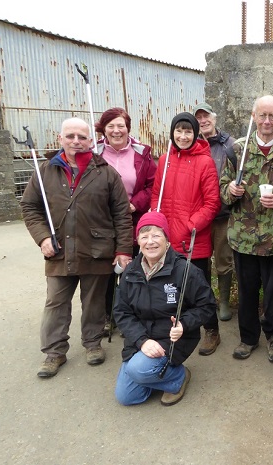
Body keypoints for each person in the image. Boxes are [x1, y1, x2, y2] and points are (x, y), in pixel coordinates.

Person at [21, 117, 133, 378]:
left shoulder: (105, 172)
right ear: (60, 138)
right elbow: (29, 207)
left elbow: (121, 215)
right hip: (58, 249)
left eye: (82, 137)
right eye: (70, 136)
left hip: (97, 248)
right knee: (56, 302)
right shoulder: (45, 170)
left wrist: (123, 250)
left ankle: (92, 344)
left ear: (91, 141)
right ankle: (54, 351)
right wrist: (42, 238)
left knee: (94, 301)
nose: (76, 141)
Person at [220, 94, 273, 363]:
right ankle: (248, 338)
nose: (267, 121)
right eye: (262, 115)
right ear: (253, 117)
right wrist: (231, 191)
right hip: (244, 239)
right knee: (246, 292)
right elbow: (222, 192)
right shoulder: (236, 151)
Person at [113, 211, 217, 406]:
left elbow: (207, 305)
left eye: (156, 235)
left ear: (167, 240)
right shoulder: (130, 272)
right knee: (127, 397)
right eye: (144, 236)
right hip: (141, 339)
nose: (150, 242)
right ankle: (152, 372)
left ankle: (178, 376)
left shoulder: (185, 270)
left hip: (172, 338)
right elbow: (121, 311)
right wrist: (142, 341)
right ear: (138, 241)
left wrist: (184, 324)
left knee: (137, 370)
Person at [150, 112, 222, 356]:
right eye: (178, 131)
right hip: (166, 238)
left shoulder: (205, 161)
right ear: (172, 133)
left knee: (199, 289)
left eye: (188, 131)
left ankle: (211, 330)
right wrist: (155, 223)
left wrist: (190, 225)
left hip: (193, 239)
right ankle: (174, 329)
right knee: (171, 289)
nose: (182, 136)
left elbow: (212, 203)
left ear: (195, 134)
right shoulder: (164, 160)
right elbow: (155, 195)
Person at [94, 107, 157, 335]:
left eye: (121, 125)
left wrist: (134, 204)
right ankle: (108, 315)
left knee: (132, 269)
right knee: (107, 271)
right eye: (111, 125)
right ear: (104, 129)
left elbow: (152, 185)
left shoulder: (142, 153)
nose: (116, 130)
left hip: (132, 219)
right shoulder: (94, 153)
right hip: (103, 221)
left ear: (128, 128)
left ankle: (134, 313)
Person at [195, 102, 236, 322]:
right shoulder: (192, 143)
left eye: (206, 116)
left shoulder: (230, 144)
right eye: (199, 118)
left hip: (222, 214)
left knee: (223, 258)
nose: (203, 121)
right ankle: (205, 300)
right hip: (199, 215)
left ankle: (224, 302)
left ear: (215, 117)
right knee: (201, 260)